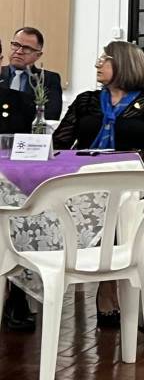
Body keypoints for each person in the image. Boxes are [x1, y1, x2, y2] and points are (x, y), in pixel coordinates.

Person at [52, 40, 144, 327]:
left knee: (118, 199)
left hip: (129, 182)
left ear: (124, 64)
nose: (97, 64)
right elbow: (60, 143)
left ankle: (107, 285)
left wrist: (113, 164)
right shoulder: (86, 100)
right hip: (83, 180)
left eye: (105, 59)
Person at [0, 38, 39, 334]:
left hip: (7, 184)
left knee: (22, 214)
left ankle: (17, 296)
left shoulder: (19, 101)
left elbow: (24, 149)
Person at [0, 26, 63, 119]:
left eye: (27, 48)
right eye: (16, 45)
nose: (19, 51)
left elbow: (51, 115)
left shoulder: (49, 79)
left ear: (38, 55)